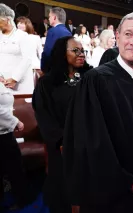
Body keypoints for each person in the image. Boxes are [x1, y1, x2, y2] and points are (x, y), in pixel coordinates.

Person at [62, 11, 133, 213]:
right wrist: (127, 180)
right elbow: (90, 141)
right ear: (118, 39)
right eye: (128, 34)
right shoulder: (95, 81)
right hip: (109, 194)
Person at [32, 36, 91, 213]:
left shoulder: (91, 78)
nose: (81, 54)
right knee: (63, 192)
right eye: (76, 50)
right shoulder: (48, 83)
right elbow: (44, 116)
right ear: (62, 54)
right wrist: (61, 141)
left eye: (83, 51)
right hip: (62, 146)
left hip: (90, 143)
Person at [0, 75, 33, 211]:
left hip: (5, 132)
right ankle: (21, 200)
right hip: (3, 133)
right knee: (14, 169)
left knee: (14, 169)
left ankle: (20, 199)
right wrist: (15, 122)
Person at [0, 3, 34, 94]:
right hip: (2, 84)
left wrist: (15, 78)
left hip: (21, 85)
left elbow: (27, 59)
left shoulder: (22, 36)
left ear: (7, 19)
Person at [41, 7, 72, 72]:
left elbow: (47, 52)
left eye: (49, 16)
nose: (48, 19)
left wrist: (43, 69)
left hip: (53, 69)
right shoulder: (69, 32)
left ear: (54, 17)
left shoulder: (52, 31)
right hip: (65, 68)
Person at [16, 16, 44, 83]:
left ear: (27, 25)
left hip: (33, 67)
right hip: (18, 68)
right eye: (18, 23)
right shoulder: (14, 38)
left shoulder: (35, 38)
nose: (19, 24)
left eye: (22, 23)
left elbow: (41, 53)